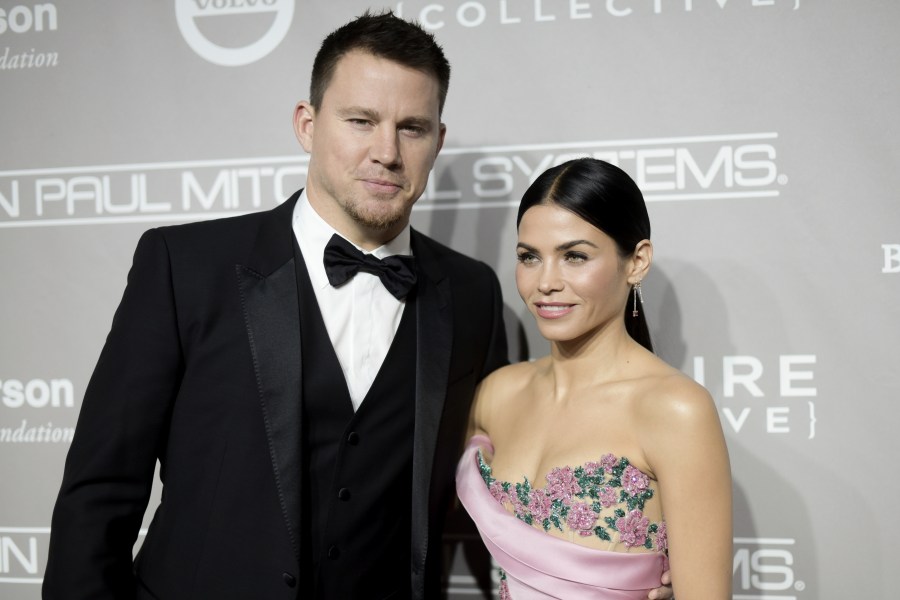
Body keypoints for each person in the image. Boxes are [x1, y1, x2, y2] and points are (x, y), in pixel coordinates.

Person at [42, 11, 509, 600]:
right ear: (307, 125)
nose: (386, 151)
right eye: (360, 120)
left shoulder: (471, 293)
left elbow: (500, 477)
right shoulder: (185, 265)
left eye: (411, 127)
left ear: (437, 141)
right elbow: (101, 490)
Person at [457, 158, 732, 598]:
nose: (545, 282)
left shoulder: (675, 409)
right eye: (530, 257)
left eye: (574, 256)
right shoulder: (497, 393)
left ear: (637, 262)